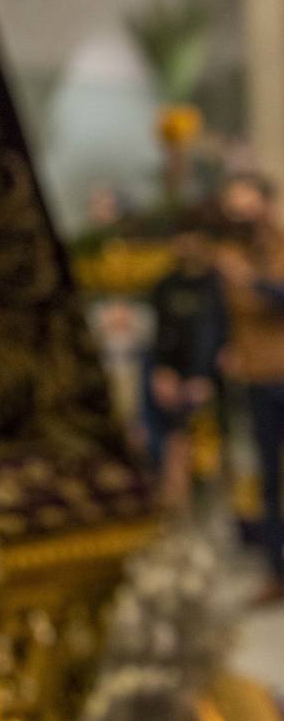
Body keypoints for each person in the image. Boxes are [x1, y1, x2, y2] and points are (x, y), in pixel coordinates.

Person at [215, 172, 284, 603]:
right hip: (257, 380)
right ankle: (277, 571)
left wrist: (250, 281)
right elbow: (219, 316)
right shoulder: (228, 256)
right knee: (267, 479)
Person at [146, 218, 228, 511]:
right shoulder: (165, 285)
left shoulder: (219, 283)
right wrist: (161, 371)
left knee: (216, 451)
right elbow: (160, 334)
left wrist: (206, 375)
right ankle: (178, 518)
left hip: (214, 383)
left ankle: (222, 519)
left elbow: (223, 334)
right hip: (175, 380)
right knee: (176, 445)